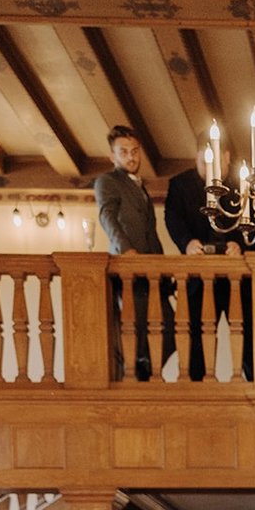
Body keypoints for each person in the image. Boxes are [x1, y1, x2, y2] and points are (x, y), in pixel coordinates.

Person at [165, 129, 251, 381]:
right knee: (195, 339)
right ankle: (196, 388)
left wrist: (239, 245)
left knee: (247, 336)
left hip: (236, 279)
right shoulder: (180, 185)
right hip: (197, 279)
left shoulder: (241, 184)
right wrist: (187, 243)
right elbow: (173, 219)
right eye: (204, 162)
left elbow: (251, 219)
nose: (209, 168)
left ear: (226, 157)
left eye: (214, 162)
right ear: (196, 158)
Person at [94, 125, 174, 381]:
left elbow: (151, 231)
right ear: (113, 156)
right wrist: (125, 250)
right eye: (124, 152)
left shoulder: (141, 188)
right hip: (130, 270)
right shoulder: (107, 181)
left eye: (135, 151)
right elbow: (107, 216)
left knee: (170, 328)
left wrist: (162, 266)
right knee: (136, 330)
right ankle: (138, 373)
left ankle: (146, 368)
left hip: (153, 272)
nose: (131, 157)